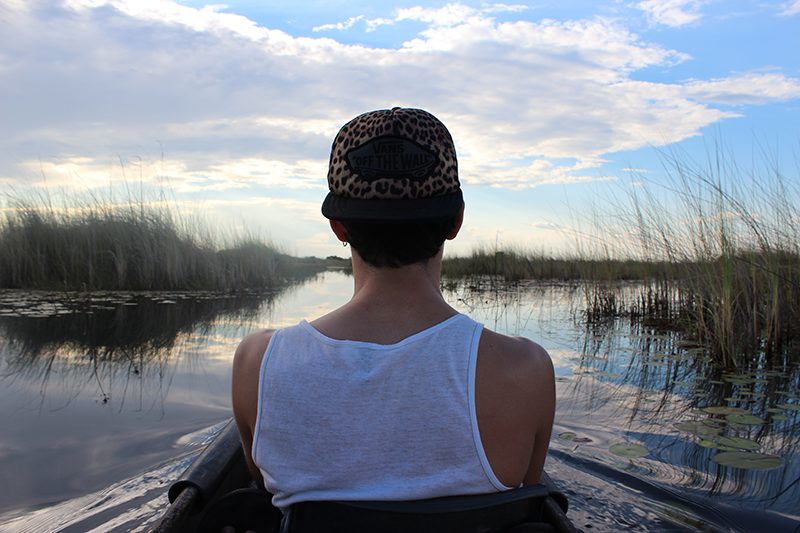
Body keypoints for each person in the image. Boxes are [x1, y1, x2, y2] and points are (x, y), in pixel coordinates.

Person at [231, 107, 555, 511]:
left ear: (338, 227)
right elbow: (527, 494)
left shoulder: (256, 362)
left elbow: (262, 484)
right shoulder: (526, 370)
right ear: (456, 221)